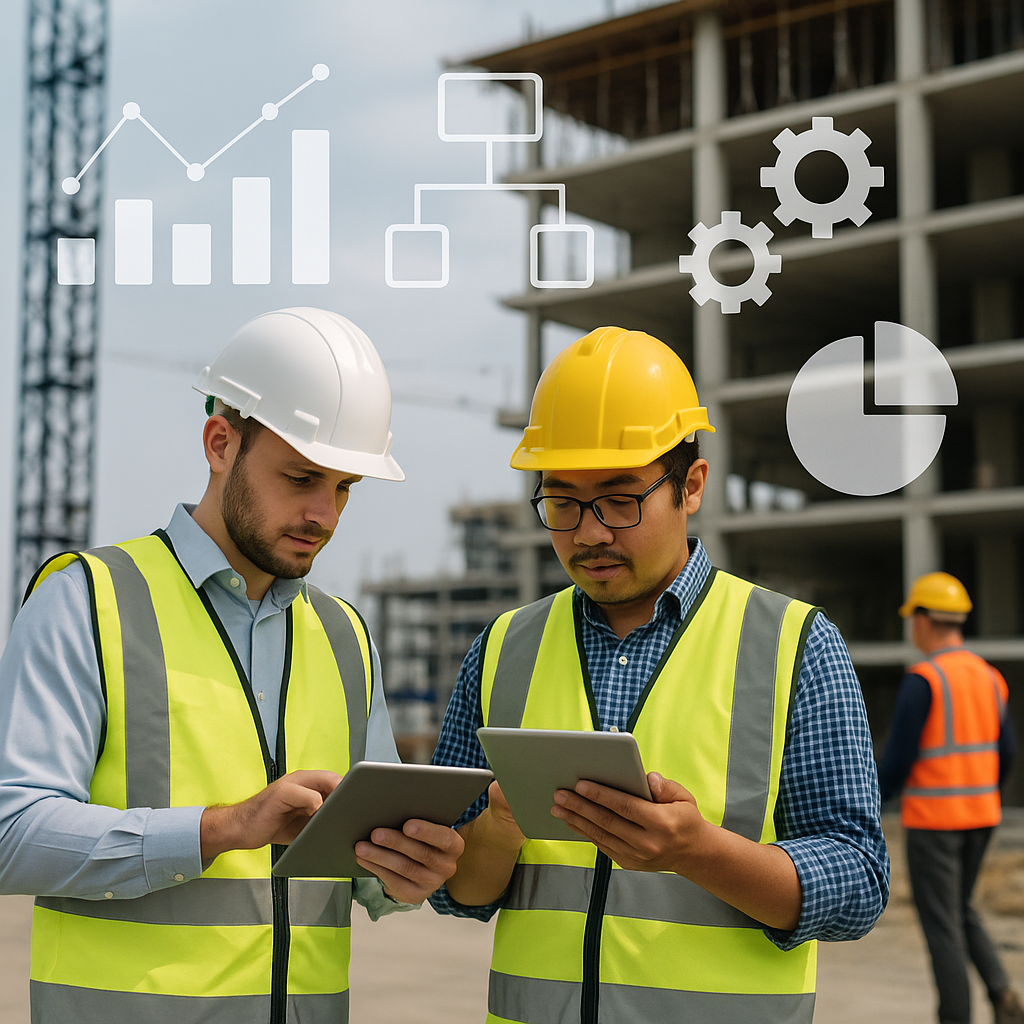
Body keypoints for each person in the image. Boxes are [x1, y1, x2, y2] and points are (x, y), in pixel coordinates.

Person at [0, 307, 464, 1023]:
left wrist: (411, 873)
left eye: (344, 488)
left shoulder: (345, 638)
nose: (326, 514)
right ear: (221, 443)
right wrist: (222, 829)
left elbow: (373, 882)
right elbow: (13, 834)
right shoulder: (87, 601)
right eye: (302, 476)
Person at [430, 326, 889, 1024]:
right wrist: (496, 830)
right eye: (562, 502)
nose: (589, 534)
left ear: (692, 486)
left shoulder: (795, 645)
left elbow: (857, 882)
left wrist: (697, 851)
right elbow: (455, 889)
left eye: (620, 499)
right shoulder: (502, 648)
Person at [879, 572, 1022, 1024]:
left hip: (935, 820)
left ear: (923, 620)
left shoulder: (925, 679)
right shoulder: (989, 677)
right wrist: (983, 795)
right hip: (982, 816)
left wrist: (873, 805)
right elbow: (1009, 753)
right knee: (961, 909)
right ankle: (1003, 996)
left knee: (943, 924)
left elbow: (899, 760)